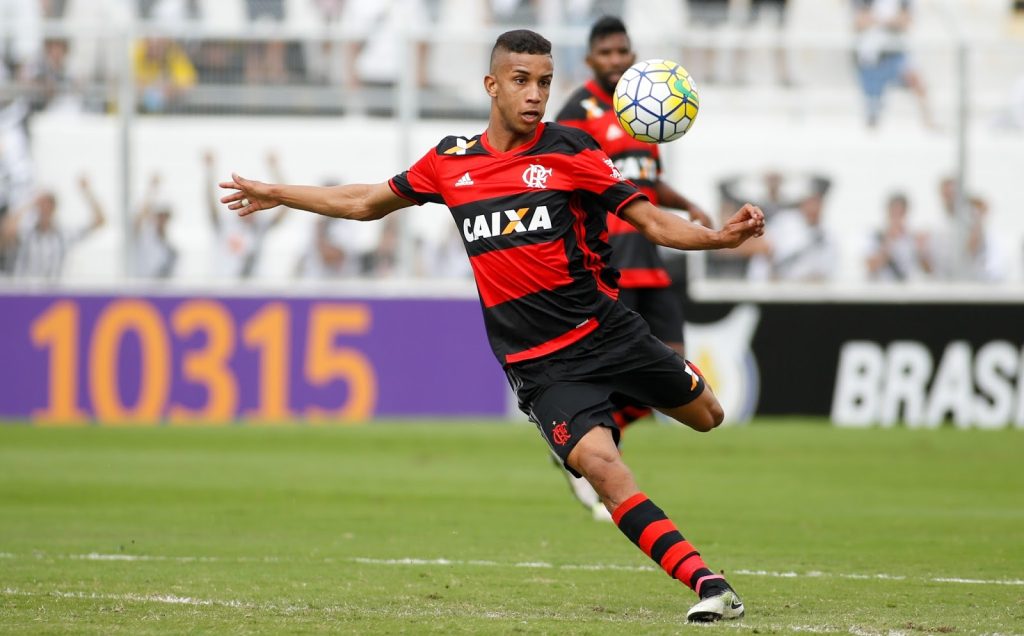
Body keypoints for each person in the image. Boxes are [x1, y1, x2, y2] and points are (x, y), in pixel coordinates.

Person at [220, 29, 763, 622]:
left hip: (607, 331)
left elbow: (653, 223)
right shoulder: (451, 163)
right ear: (492, 84)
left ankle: (640, 402)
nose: (536, 95)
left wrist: (717, 238)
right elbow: (363, 200)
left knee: (708, 416)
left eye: (546, 83)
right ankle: (710, 585)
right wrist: (280, 193)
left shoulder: (571, 151)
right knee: (604, 471)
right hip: (540, 366)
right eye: (522, 80)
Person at [554, 15, 714, 520]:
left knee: (674, 379)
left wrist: (688, 204)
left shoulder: (642, 107)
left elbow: (643, 182)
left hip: (652, 261)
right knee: (625, 379)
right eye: (606, 53)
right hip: (612, 263)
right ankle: (585, 452)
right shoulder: (576, 111)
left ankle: (583, 451)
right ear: (590, 60)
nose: (617, 60)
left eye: (623, 51)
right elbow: (562, 177)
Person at [2, 176, 105, 282]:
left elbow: (100, 221)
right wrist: (31, 202)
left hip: (51, 295)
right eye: (42, 204)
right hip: (22, 293)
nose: (45, 208)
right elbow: (6, 231)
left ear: (54, 207)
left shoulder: (64, 235)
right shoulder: (25, 233)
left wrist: (87, 192)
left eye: (49, 204)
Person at [204, 150, 288, 279]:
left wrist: (275, 169)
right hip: (224, 283)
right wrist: (210, 170)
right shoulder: (226, 223)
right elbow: (210, 202)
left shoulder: (260, 225)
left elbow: (285, 205)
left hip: (254, 286)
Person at [852, 0, 933, 129]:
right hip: (871, 58)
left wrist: (877, 20)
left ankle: (929, 123)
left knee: (917, 81)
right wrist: (891, 21)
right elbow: (860, 21)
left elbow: (907, 21)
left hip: (896, 54)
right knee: (872, 112)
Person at [865, 192, 929, 281]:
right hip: (883, 290)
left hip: (908, 290)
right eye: (894, 212)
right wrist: (889, 240)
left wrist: (921, 250)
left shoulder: (913, 238)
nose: (897, 217)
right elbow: (871, 267)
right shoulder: (876, 236)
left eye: (900, 212)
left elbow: (928, 270)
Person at [131, 173, 178, 279]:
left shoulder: (170, 245)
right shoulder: (144, 237)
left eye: (165, 216)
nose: (162, 219)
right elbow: (138, 220)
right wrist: (151, 190)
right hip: (142, 291)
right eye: (160, 215)